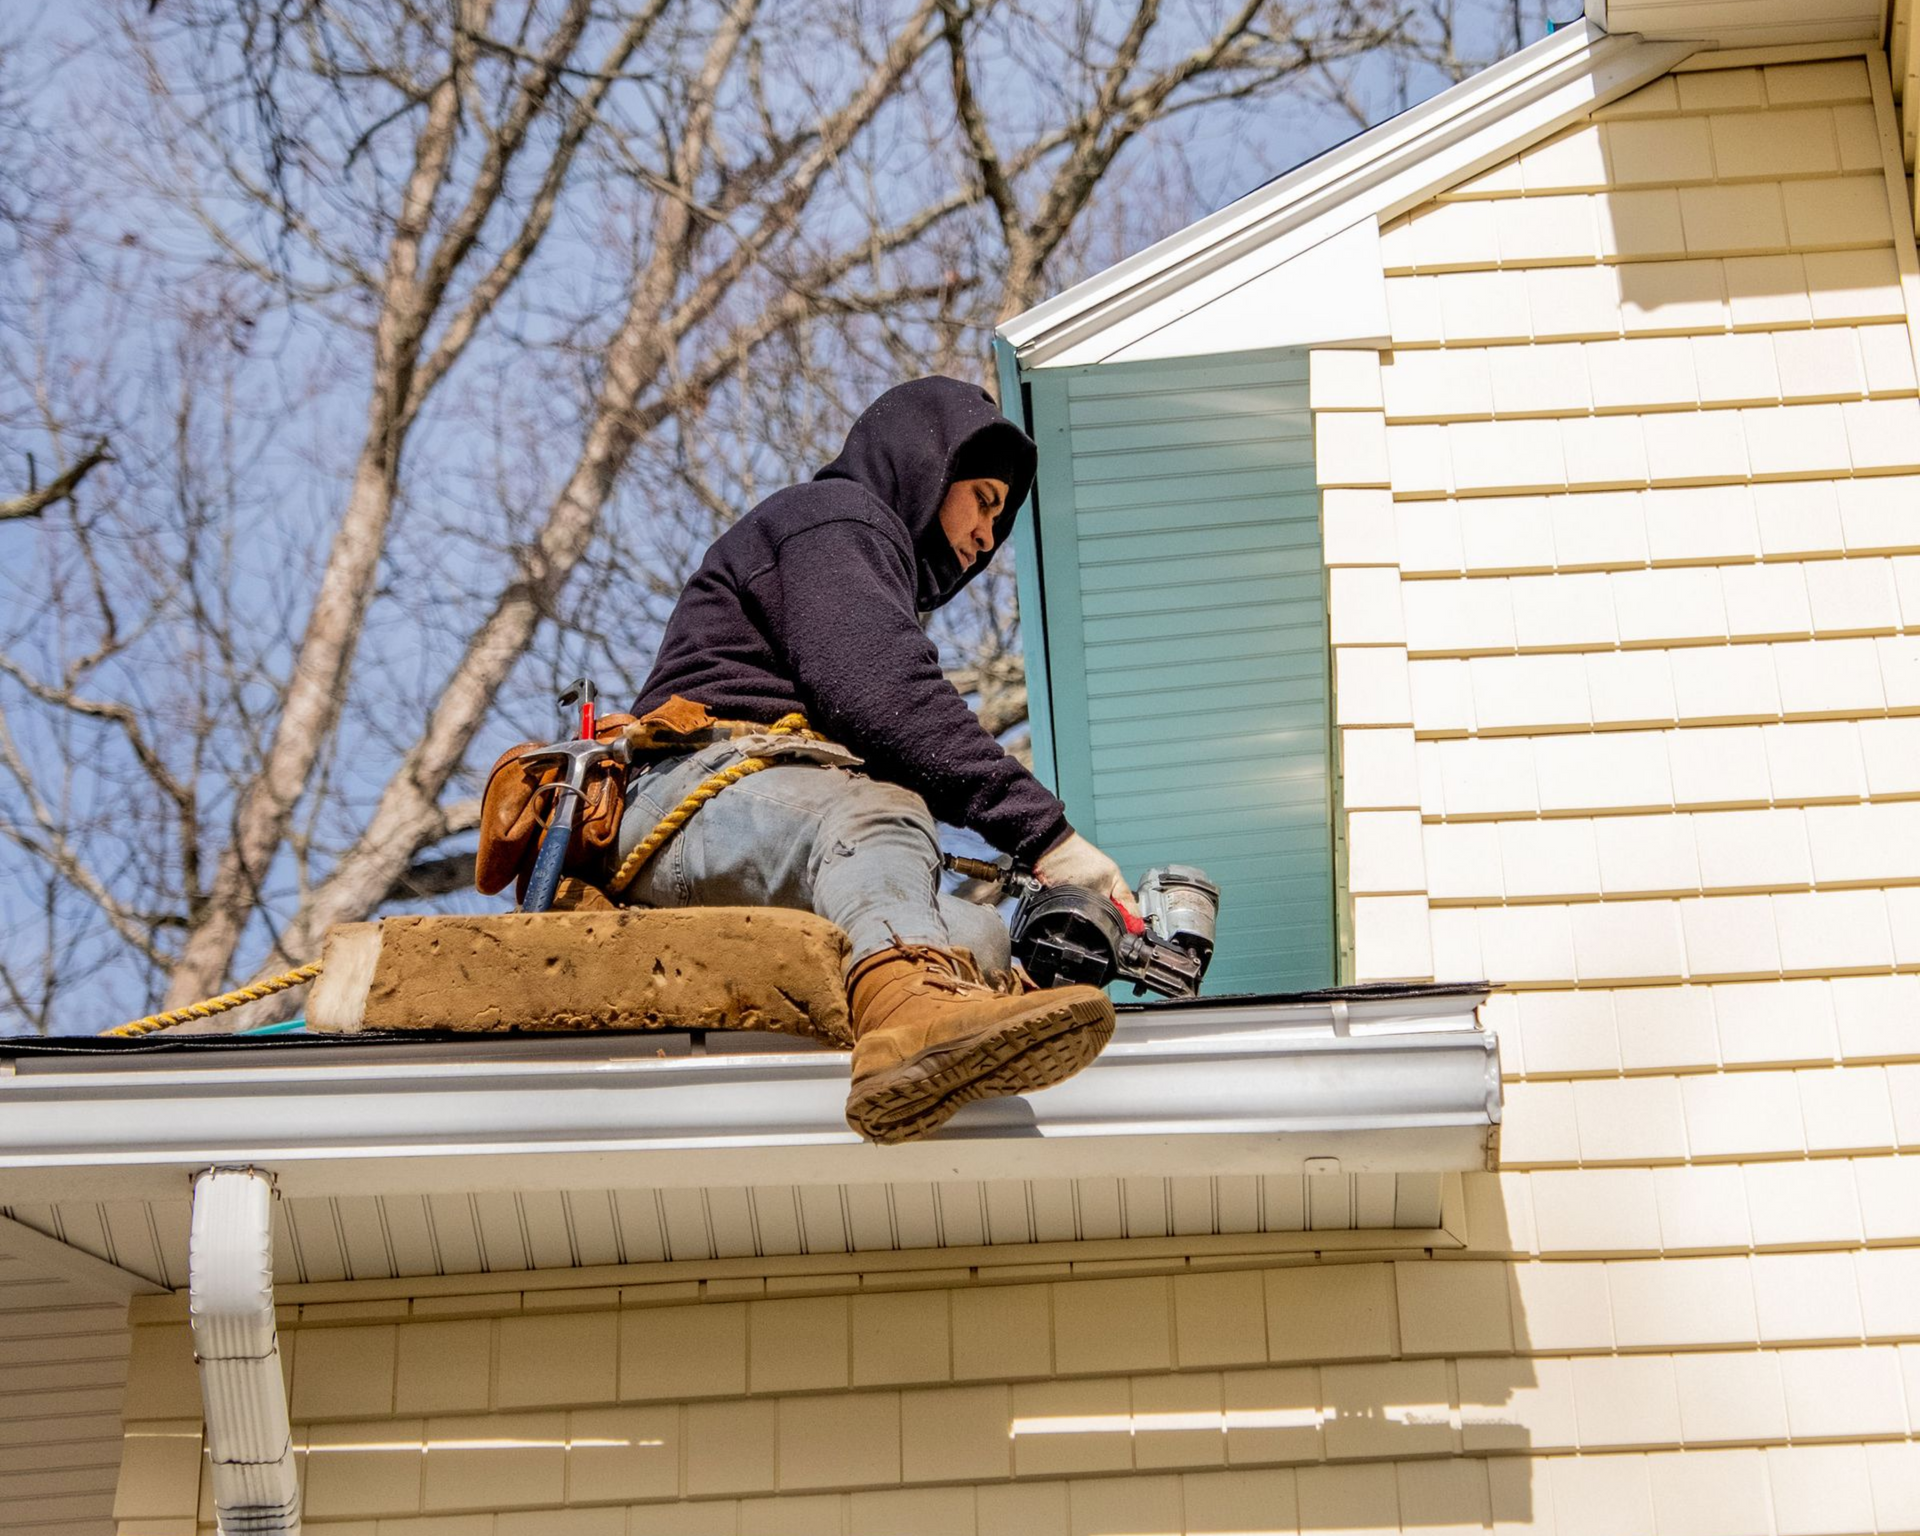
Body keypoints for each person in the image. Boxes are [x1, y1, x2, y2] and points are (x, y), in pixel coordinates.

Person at [618, 376, 1139, 1144]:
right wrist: (1050, 839)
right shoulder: (833, 520)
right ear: (926, 463)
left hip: (764, 834)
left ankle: (933, 1033)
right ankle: (909, 1032)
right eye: (985, 501)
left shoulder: (858, 553)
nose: (989, 538)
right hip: (687, 804)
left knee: (976, 938)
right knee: (886, 813)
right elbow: (884, 692)